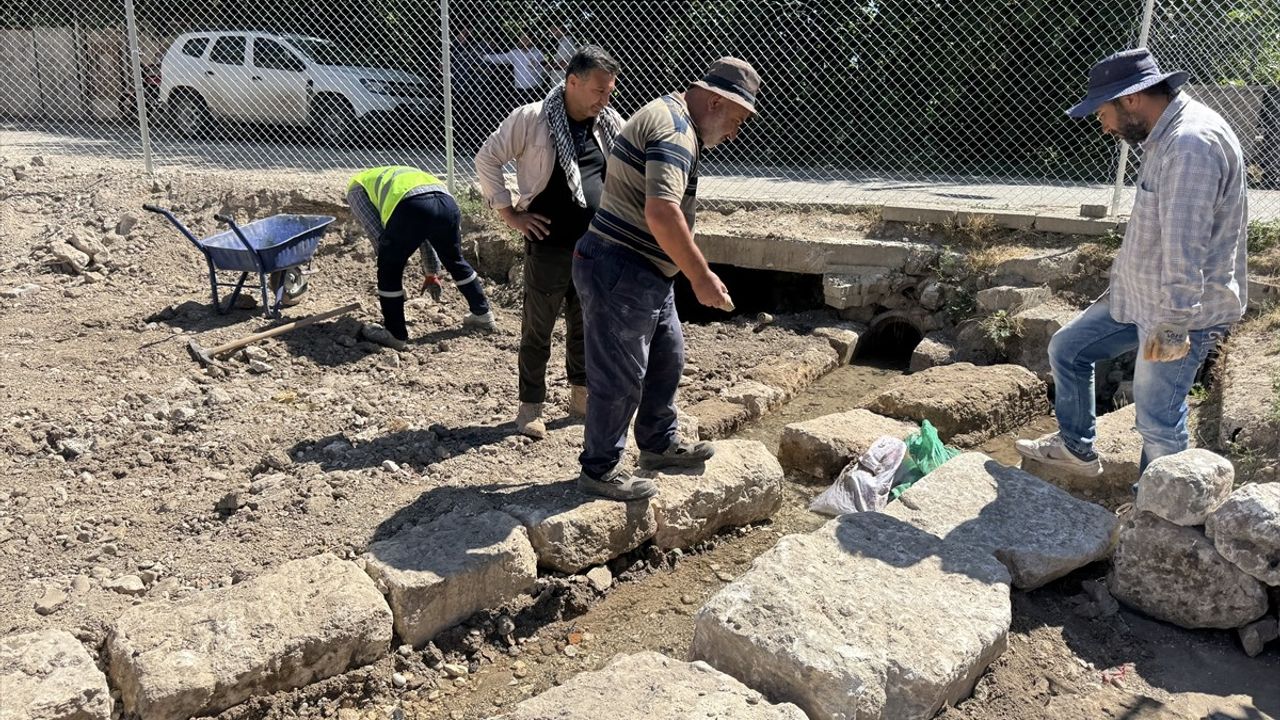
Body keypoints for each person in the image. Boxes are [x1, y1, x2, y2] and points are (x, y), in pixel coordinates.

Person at [1016, 48, 1248, 477]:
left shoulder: (1189, 146)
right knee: (1068, 349)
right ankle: (1076, 448)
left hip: (1177, 312)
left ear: (1132, 99)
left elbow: (1185, 249)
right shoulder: (1163, 135)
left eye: (1103, 112)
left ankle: (1161, 513)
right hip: (1139, 299)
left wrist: (1173, 330)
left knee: (1157, 419)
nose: (1103, 126)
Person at [572, 57, 761, 500]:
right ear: (715, 102)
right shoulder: (674, 130)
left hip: (644, 271)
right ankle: (599, 470)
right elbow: (662, 212)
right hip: (620, 266)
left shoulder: (678, 121)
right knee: (620, 376)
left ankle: (658, 444)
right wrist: (701, 277)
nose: (733, 134)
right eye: (735, 120)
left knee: (667, 358)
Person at [475, 46, 624, 439]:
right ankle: (530, 408)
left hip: (596, 245)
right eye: (598, 91)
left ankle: (582, 398)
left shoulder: (610, 123)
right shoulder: (532, 119)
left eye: (609, 91)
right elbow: (488, 158)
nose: (604, 100)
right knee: (538, 329)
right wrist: (509, 213)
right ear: (572, 82)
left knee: (587, 324)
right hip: (549, 244)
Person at [346, 166, 497, 345]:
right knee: (455, 259)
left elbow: (379, 236)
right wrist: (431, 272)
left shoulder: (355, 188)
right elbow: (423, 229)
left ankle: (395, 334)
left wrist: (394, 261)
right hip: (447, 205)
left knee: (389, 267)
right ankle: (483, 315)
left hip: (411, 207)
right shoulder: (401, 176)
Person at [484, 35, 545, 106]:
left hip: (535, 88)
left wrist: (536, 67)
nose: (524, 41)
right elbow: (501, 58)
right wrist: (485, 57)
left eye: (526, 39)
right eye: (522, 39)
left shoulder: (538, 53)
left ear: (531, 40)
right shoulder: (515, 53)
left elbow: (544, 71)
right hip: (520, 89)